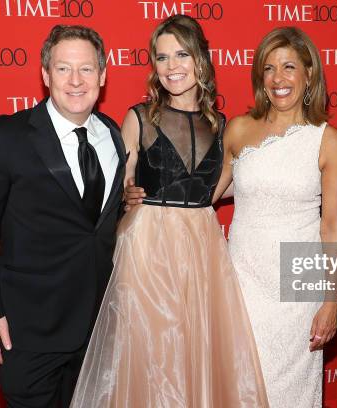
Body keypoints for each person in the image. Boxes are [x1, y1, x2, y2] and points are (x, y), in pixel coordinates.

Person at [126, 26, 337, 408]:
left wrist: (331, 301)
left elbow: (332, 225)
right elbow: (202, 194)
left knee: (288, 391)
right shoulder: (239, 129)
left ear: (309, 74)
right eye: (268, 68)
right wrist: (142, 195)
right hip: (238, 283)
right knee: (236, 388)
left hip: (295, 289)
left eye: (289, 67)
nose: (278, 78)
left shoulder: (328, 140)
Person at [70, 15, 268, 408]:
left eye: (182, 54)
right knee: (147, 354)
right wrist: (127, 193)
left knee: (198, 354)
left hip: (202, 250)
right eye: (162, 58)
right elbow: (118, 185)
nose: (172, 66)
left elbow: (227, 188)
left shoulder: (225, 125)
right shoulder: (139, 117)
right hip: (146, 246)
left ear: (201, 60)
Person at [0, 25, 125, 407]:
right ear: (45, 74)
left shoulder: (112, 134)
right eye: (63, 69)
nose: (76, 81)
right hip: (30, 328)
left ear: (102, 74)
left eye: (86, 69)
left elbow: (99, 226)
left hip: (98, 327)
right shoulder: (5, 137)